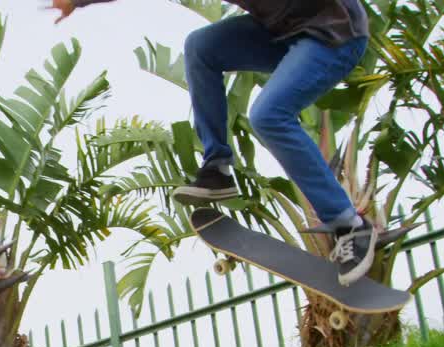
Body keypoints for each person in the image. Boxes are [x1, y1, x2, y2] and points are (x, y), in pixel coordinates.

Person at [47, 0, 385, 285]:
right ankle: (217, 169)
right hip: (283, 33)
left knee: (268, 115)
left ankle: (350, 226)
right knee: (201, 47)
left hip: (335, 34)